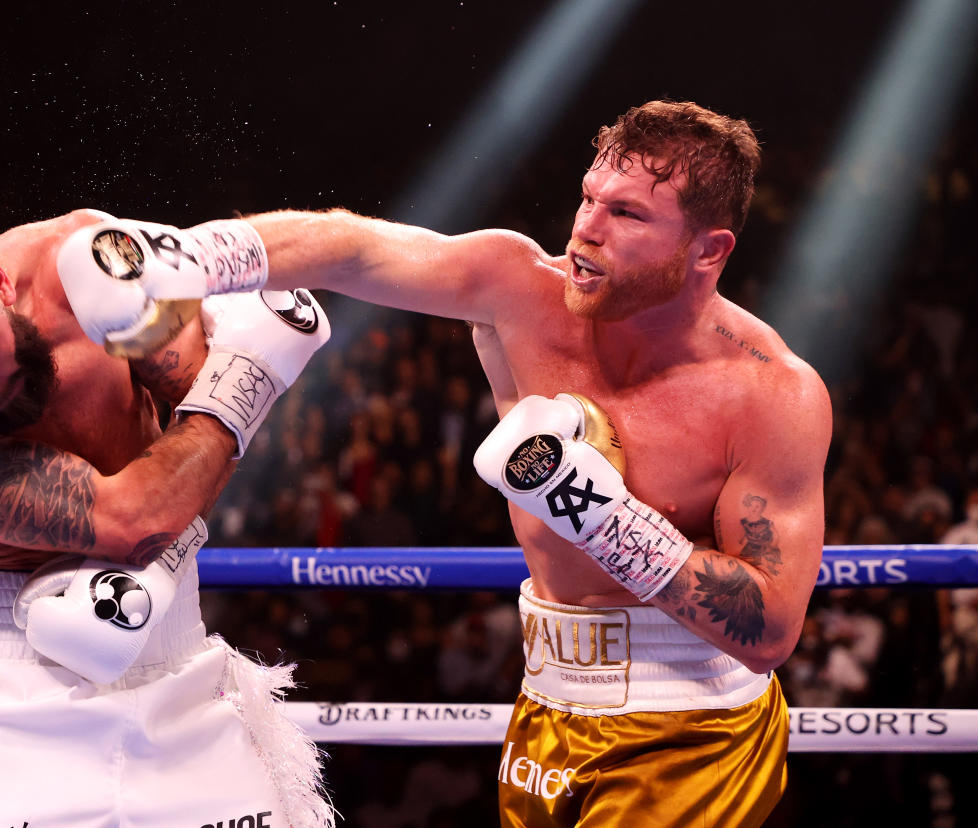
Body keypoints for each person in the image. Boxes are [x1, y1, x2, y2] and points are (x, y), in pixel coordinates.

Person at [76, 100, 831, 826]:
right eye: (587, 198)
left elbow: (768, 630)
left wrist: (601, 514)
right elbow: (353, 248)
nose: (585, 231)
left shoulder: (771, 393)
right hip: (550, 699)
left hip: (692, 725)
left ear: (710, 249)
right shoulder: (520, 290)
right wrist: (187, 256)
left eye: (627, 214)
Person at [0, 210, 335, 827]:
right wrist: (252, 371)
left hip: (182, 675)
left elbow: (203, 448)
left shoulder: (88, 267)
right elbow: (140, 513)